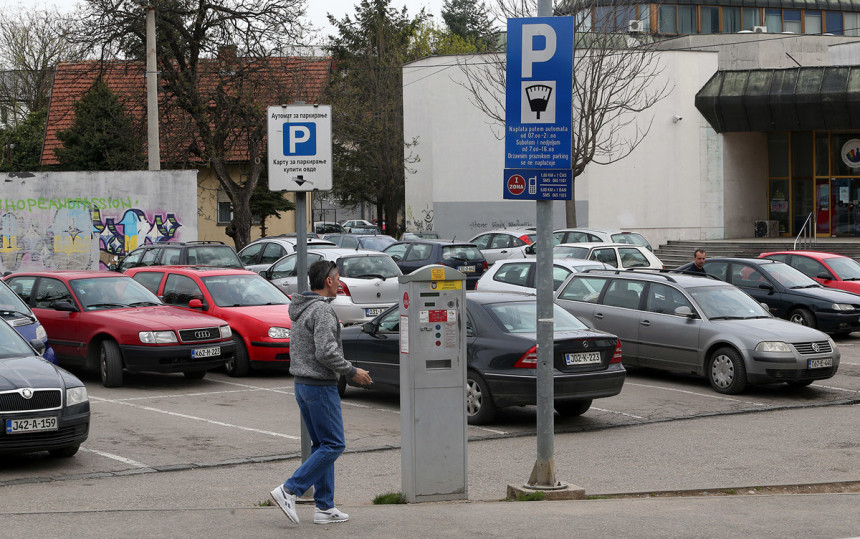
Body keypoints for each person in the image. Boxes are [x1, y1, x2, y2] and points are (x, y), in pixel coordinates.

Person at [270, 259, 372, 525]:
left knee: (322, 445)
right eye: (338, 278)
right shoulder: (323, 311)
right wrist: (352, 371)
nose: (340, 282)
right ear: (328, 280)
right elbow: (326, 351)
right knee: (334, 444)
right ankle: (289, 489)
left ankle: (325, 508)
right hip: (319, 387)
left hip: (303, 386)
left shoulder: (303, 308)